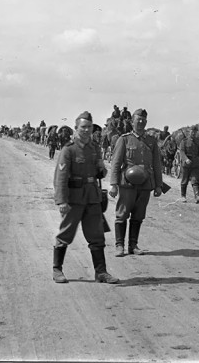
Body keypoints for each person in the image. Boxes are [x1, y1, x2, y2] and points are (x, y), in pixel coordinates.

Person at [52, 111, 118, 284]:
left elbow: (100, 173)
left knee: (97, 236)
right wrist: (62, 201)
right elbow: (60, 177)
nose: (86, 130)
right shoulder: (69, 149)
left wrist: (101, 168)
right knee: (65, 234)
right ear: (76, 128)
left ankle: (101, 272)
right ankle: (57, 270)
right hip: (73, 199)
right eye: (83, 127)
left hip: (92, 198)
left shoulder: (95, 148)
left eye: (89, 127)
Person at [109, 108, 164, 257]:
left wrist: (159, 185)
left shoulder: (151, 141)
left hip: (145, 184)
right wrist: (113, 184)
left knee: (139, 215)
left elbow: (157, 164)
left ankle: (133, 245)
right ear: (132, 121)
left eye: (143, 120)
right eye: (138, 119)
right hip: (127, 183)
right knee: (122, 214)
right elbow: (116, 163)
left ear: (146, 122)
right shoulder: (124, 139)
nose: (140, 122)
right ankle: (119, 245)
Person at [179, 125, 199, 203]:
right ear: (189, 132)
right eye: (192, 131)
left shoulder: (198, 142)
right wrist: (186, 159)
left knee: (195, 180)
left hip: (195, 164)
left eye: (195, 132)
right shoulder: (184, 141)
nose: (193, 133)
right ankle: (183, 196)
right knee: (184, 180)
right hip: (186, 164)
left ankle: (197, 196)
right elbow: (182, 151)